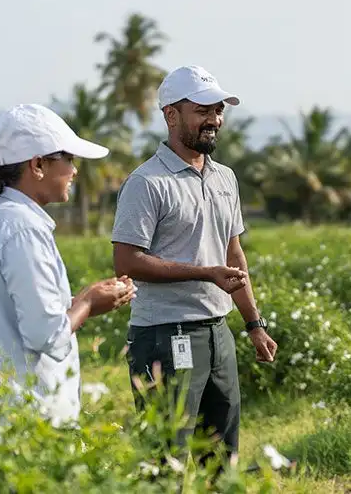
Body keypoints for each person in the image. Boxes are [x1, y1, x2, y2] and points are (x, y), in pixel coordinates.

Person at [111, 65, 278, 458]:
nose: (214, 120)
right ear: (171, 115)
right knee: (167, 456)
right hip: (165, 336)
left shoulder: (225, 178)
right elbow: (127, 260)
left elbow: (233, 254)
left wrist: (254, 324)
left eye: (218, 110)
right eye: (202, 110)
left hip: (218, 333)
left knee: (222, 455)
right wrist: (205, 273)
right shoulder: (147, 183)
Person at [0, 103, 136, 427]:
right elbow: (45, 334)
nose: (75, 171)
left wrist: (80, 299)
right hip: (28, 416)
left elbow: (23, 312)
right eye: (68, 159)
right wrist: (90, 303)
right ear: (37, 165)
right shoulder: (23, 228)